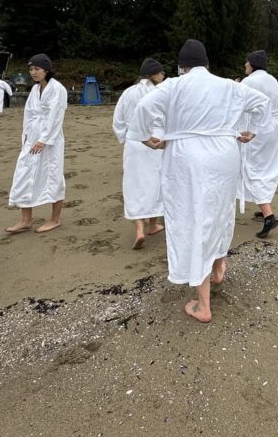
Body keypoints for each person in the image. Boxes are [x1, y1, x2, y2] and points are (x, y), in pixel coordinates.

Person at [129, 39, 268, 323]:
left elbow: (143, 107)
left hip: (188, 159)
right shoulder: (228, 86)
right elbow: (263, 103)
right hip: (224, 155)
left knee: (193, 220)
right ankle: (218, 268)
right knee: (219, 214)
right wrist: (252, 130)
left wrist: (146, 138)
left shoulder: (174, 86)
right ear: (206, 63)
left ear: (182, 66)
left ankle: (203, 305)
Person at [6, 54, 68, 234]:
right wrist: (26, 137)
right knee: (24, 173)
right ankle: (26, 220)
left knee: (53, 174)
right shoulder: (35, 89)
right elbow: (29, 113)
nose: (33, 72)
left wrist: (44, 139)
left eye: (37, 69)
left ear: (46, 70)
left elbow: (56, 115)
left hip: (50, 140)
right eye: (31, 69)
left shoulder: (57, 89)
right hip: (32, 137)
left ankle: (55, 219)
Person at [112, 58, 167, 250]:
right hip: (156, 141)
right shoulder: (160, 93)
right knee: (155, 183)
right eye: (161, 72)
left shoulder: (128, 93)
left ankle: (139, 229)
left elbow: (118, 120)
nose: (163, 76)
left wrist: (124, 137)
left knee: (134, 184)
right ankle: (153, 224)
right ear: (153, 74)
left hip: (134, 142)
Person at [240, 50, 278, 237]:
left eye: (247, 62)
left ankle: (268, 214)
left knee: (252, 168)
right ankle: (264, 203)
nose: (245, 65)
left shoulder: (249, 82)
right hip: (275, 128)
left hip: (259, 129)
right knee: (268, 167)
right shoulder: (272, 79)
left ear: (252, 64)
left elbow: (239, 104)